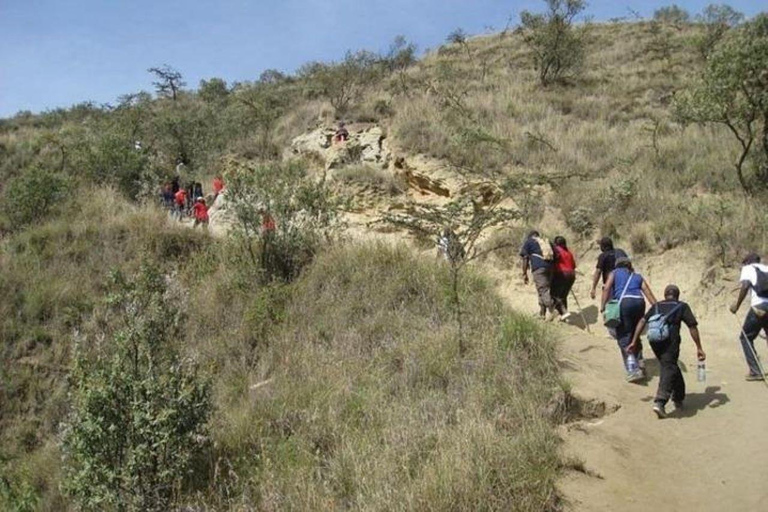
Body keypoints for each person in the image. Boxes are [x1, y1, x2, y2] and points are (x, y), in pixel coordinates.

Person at [628, 285, 706, 418]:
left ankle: (679, 397)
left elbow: (642, 321)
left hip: (654, 341)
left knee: (670, 365)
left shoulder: (657, 306)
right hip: (671, 341)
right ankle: (660, 402)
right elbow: (692, 326)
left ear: (665, 295)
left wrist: (634, 341)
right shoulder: (682, 306)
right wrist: (699, 347)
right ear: (677, 295)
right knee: (668, 367)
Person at [601, 257, 657, 382]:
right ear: (629, 265)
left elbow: (606, 288)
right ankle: (640, 362)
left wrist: (603, 306)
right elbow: (647, 292)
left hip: (624, 304)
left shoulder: (614, 273)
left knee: (624, 337)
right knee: (635, 334)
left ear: (617, 266)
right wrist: (657, 307)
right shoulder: (637, 276)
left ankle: (633, 369)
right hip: (639, 302)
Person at [729, 252, 768, 381]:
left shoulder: (748, 268)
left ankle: (755, 371)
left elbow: (745, 285)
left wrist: (737, 306)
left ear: (748, 262)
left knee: (745, 337)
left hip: (759, 307)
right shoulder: (766, 268)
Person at [520, 230, 561, 320]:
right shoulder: (547, 241)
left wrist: (524, 273)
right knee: (543, 290)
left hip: (538, 269)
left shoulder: (529, 242)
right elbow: (557, 254)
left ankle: (554, 310)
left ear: (530, 236)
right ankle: (542, 313)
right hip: (550, 268)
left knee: (542, 290)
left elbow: (525, 258)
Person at [552, 236, 576, 318]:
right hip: (572, 274)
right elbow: (573, 265)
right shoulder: (568, 252)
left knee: (554, 294)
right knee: (563, 295)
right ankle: (563, 314)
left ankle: (563, 311)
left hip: (561, 273)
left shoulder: (556, 250)